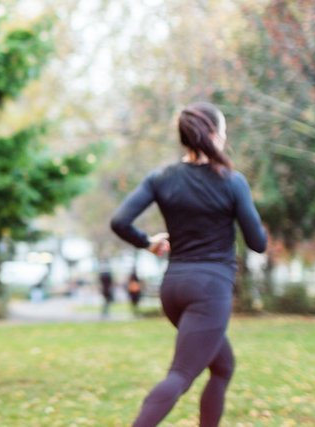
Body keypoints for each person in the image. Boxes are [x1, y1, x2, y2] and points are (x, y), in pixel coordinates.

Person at [110, 102, 267, 427]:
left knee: (222, 367)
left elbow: (120, 221)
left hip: (174, 290)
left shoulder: (161, 178)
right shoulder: (232, 181)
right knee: (180, 375)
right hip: (209, 291)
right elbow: (257, 243)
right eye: (223, 132)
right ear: (213, 134)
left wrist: (148, 242)